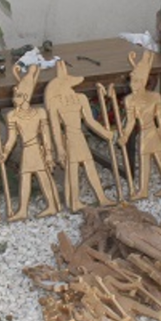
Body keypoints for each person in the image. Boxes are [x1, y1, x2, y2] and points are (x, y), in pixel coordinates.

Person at [44, 60, 114, 211]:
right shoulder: (55, 102)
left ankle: (101, 197)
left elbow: (90, 121)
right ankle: (74, 201)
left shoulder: (81, 98)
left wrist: (106, 133)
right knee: (73, 169)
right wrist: (60, 148)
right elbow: (55, 128)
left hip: (79, 137)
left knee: (89, 165)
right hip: (69, 138)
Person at [0, 65, 60, 220]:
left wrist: (48, 154)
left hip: (37, 149)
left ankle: (52, 205)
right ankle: (22, 210)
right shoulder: (13, 116)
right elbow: (12, 138)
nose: (14, 99)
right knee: (25, 177)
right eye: (15, 95)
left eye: (18, 95)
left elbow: (46, 135)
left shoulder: (39, 113)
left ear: (26, 97)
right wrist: (4, 153)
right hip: (27, 150)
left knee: (43, 176)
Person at [118, 50, 161, 199]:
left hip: (154, 132)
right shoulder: (130, 100)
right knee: (144, 159)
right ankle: (143, 190)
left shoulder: (155, 97)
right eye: (132, 81)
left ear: (143, 81)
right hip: (144, 133)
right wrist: (125, 135)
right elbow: (131, 121)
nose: (133, 85)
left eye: (136, 81)